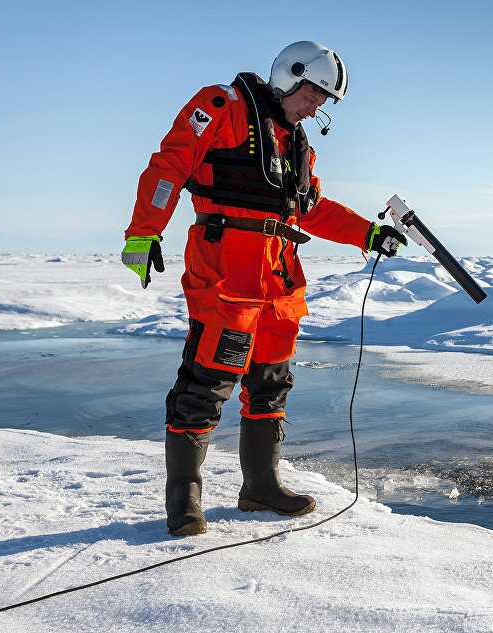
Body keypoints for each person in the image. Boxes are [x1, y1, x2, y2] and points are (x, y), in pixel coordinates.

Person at [122, 41, 406, 537]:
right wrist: (144, 231)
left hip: (278, 281)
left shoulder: (297, 144)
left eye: (323, 102)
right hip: (227, 274)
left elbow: (312, 209)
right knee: (207, 384)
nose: (315, 108)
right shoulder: (220, 107)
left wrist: (367, 232)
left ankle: (260, 486)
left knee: (271, 383)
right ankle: (184, 499)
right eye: (313, 95)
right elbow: (168, 167)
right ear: (289, 77)